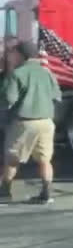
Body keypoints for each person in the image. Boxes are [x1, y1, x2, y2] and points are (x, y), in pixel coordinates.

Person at [0, 40, 62, 204]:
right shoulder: (47, 73)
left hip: (24, 122)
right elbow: (57, 96)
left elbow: (8, 99)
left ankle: (5, 192)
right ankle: (46, 193)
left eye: (14, 53)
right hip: (46, 122)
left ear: (21, 55)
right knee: (44, 160)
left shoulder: (17, 74)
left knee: (12, 159)